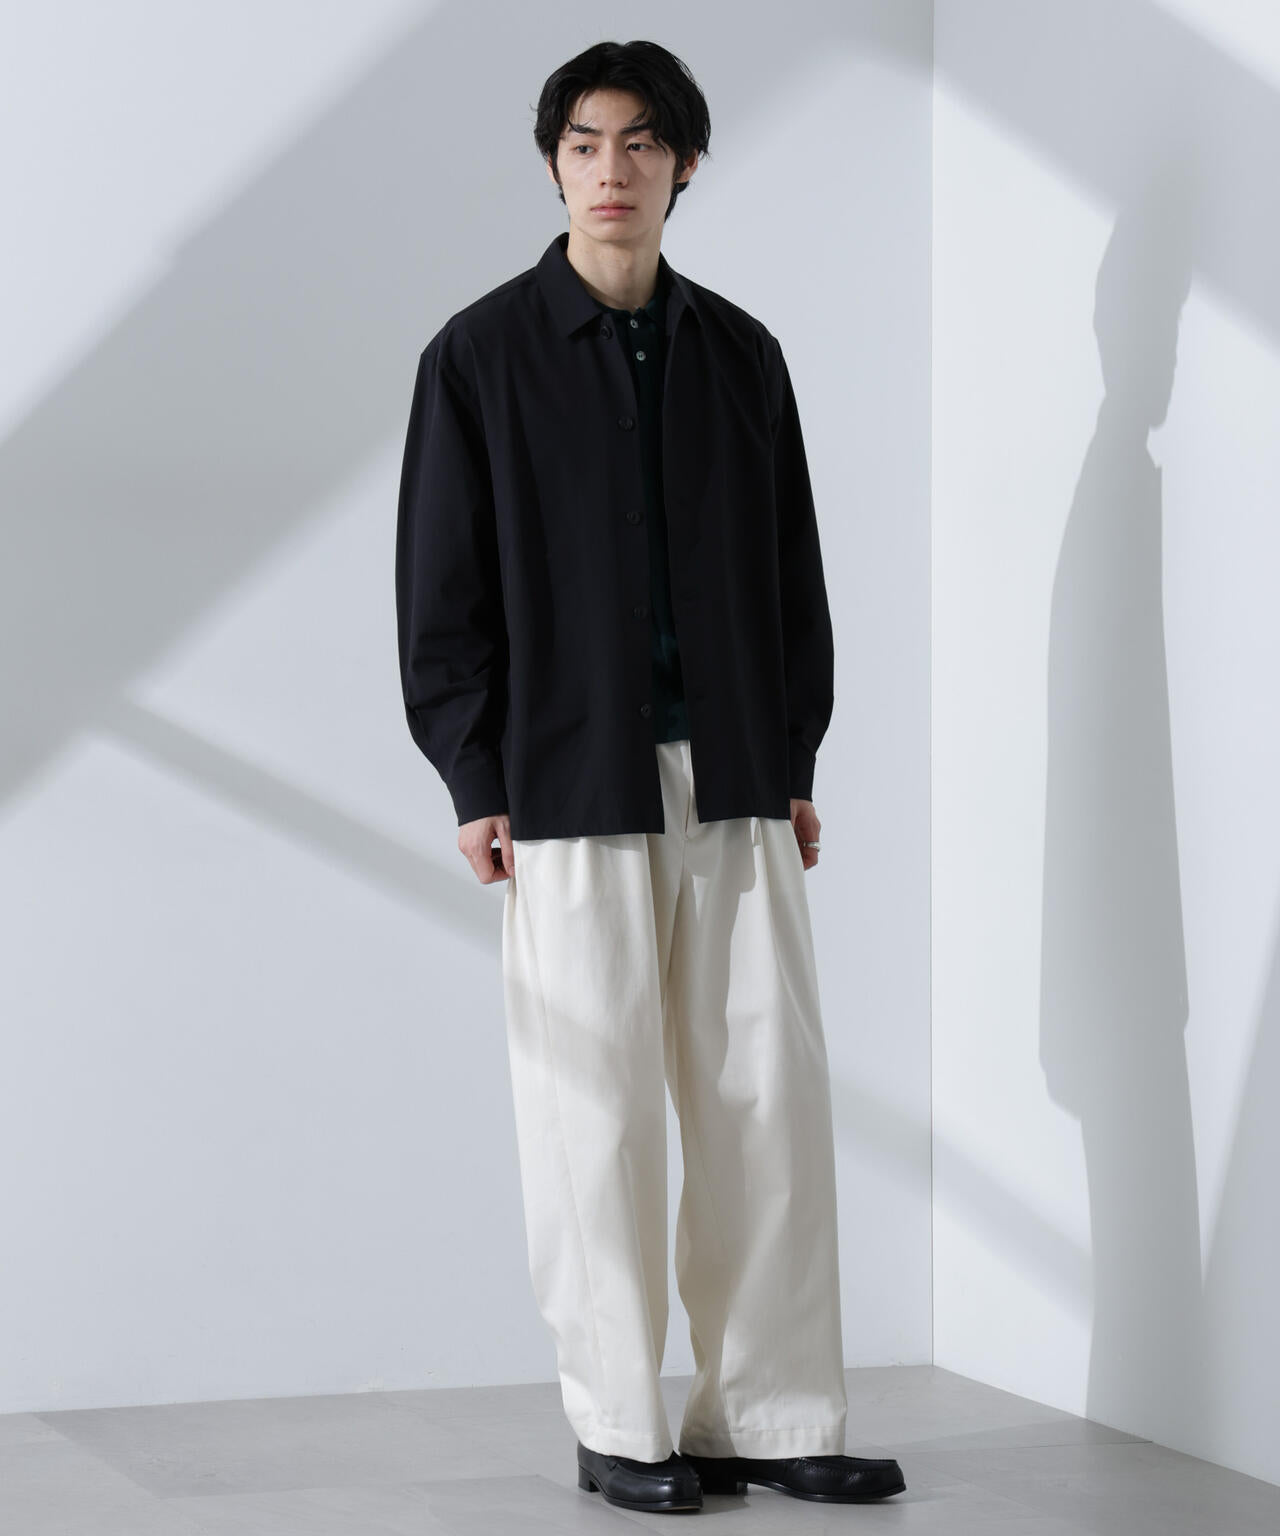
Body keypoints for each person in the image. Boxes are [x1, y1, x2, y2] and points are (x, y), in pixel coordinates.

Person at [395, 38, 906, 1515]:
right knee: (595, 1111)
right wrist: (474, 774)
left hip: (737, 773)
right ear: (553, 166)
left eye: (639, 143)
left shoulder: (742, 357)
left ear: (686, 164)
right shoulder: (480, 357)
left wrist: (793, 756)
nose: (610, 171)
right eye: (583, 144)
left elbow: (793, 577)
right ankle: (619, 1421)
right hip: (567, 782)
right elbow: (442, 589)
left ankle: (771, 1413)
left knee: (766, 1102)